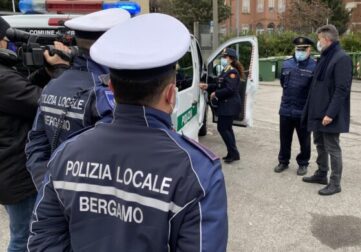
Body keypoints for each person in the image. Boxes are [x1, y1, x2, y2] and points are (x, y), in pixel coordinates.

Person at [27, 13, 228, 252]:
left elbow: (42, 241)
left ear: (110, 87)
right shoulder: (199, 172)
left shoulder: (65, 153)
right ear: (171, 94)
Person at [25, 8, 131, 191]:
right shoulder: (105, 92)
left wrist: (50, 191)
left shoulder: (53, 85)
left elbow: (35, 146)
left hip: (59, 199)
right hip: (97, 206)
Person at [0, 16, 69, 252]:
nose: (7, 44)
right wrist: (61, 71)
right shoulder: (2, 78)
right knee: (25, 237)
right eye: (4, 39)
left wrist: (45, 71)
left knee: (23, 233)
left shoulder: (5, 76)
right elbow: (43, 102)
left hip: (9, 170)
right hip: (16, 173)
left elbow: (23, 90)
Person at [301, 25, 352, 196]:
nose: (318, 42)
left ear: (327, 39)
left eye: (320, 39)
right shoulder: (325, 57)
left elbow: (341, 90)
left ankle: (335, 182)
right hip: (317, 111)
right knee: (320, 144)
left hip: (329, 114)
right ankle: (321, 173)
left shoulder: (341, 58)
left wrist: (330, 113)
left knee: (332, 148)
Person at [274, 36, 316, 176]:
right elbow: (282, 82)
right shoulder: (287, 64)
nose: (300, 52)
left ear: (309, 50)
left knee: (304, 140)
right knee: (284, 138)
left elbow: (314, 90)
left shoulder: (314, 66)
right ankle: (283, 161)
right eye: (298, 49)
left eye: (303, 49)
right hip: (286, 108)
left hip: (303, 110)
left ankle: (303, 163)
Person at [200, 48, 243, 164]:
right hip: (226, 105)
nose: (223, 59)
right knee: (227, 129)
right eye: (223, 57)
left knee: (223, 128)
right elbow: (219, 84)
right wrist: (208, 86)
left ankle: (234, 153)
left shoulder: (232, 72)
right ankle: (232, 153)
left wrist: (216, 93)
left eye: (225, 57)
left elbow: (230, 89)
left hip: (229, 105)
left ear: (231, 59)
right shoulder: (226, 70)